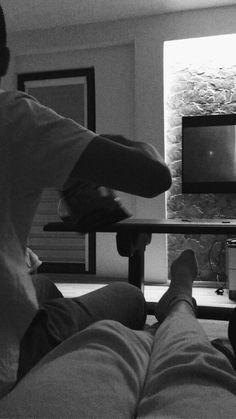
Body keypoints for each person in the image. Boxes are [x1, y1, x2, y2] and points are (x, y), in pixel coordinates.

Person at [0, 4, 172, 398]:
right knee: (130, 295)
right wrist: (97, 141)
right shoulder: (11, 115)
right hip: (8, 354)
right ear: (4, 59)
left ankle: (55, 315)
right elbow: (154, 177)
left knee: (41, 282)